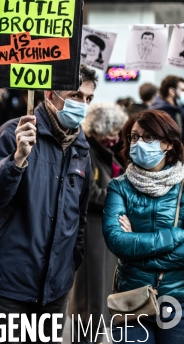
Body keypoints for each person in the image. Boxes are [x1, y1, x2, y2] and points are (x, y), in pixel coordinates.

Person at [0, 64, 98, 341]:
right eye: (75, 95)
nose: (82, 104)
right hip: (8, 282)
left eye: (88, 98)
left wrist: (70, 261)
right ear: (50, 94)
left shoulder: (81, 148)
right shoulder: (12, 133)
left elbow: (80, 215)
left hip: (55, 287)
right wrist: (16, 160)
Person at [103, 109, 184, 342]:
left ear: (168, 143)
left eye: (148, 138)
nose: (139, 143)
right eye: (134, 137)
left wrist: (136, 249)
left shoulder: (182, 186)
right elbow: (117, 241)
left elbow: (128, 246)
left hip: (176, 300)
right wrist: (175, 235)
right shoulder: (119, 187)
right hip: (131, 298)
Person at [68, 102, 127, 343]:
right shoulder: (86, 152)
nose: (115, 138)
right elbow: (89, 193)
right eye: (111, 133)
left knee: (100, 293)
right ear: (98, 131)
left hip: (103, 230)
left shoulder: (102, 152)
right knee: (91, 294)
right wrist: (120, 200)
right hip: (92, 231)